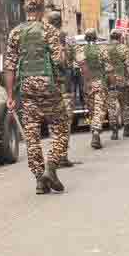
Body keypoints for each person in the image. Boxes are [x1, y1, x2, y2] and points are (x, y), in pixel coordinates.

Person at [3, 0, 68, 195]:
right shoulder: (49, 30)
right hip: (49, 86)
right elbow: (59, 61)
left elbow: (9, 66)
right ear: (41, 9)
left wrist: (10, 96)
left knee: (31, 133)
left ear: (25, 8)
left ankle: (40, 180)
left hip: (26, 88)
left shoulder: (15, 33)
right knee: (60, 127)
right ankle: (51, 167)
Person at [45, 9, 76, 168]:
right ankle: (61, 155)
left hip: (47, 87)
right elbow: (69, 62)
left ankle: (54, 154)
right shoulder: (65, 38)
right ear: (60, 22)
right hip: (64, 86)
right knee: (64, 122)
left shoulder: (41, 38)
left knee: (52, 122)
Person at [76, 28, 110, 150]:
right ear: (96, 38)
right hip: (99, 82)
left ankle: (94, 130)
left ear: (85, 38)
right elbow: (108, 67)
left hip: (87, 85)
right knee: (99, 109)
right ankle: (96, 131)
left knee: (92, 110)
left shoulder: (80, 50)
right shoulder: (102, 50)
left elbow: (77, 68)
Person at [105, 30, 129, 140]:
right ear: (120, 37)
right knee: (125, 105)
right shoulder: (124, 48)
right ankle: (126, 129)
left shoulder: (104, 49)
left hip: (110, 81)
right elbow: (128, 64)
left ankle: (114, 131)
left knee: (112, 107)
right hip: (122, 81)